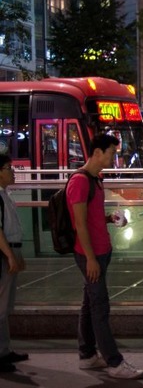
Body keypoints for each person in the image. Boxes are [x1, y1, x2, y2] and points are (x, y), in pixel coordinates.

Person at [68, 133, 143, 379]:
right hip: (89, 254)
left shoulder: (96, 179)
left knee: (89, 305)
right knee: (100, 307)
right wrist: (90, 258)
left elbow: (90, 218)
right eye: (112, 152)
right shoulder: (80, 182)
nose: (115, 157)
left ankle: (88, 356)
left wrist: (109, 219)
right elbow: (79, 224)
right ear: (97, 152)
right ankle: (114, 363)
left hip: (101, 251)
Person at [0, 155, 26, 373]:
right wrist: (10, 255)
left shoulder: (5, 195)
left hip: (11, 250)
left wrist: (17, 254)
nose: (13, 171)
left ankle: (5, 350)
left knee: (6, 306)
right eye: (9, 168)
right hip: (3, 254)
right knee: (0, 307)